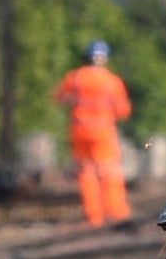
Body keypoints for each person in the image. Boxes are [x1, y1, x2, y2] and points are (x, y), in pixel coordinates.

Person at [53, 41, 133, 227]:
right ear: (104, 59)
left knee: (86, 171)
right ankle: (115, 211)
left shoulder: (74, 78)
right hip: (103, 131)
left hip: (79, 130)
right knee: (109, 170)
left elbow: (60, 97)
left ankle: (93, 216)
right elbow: (122, 111)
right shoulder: (112, 81)